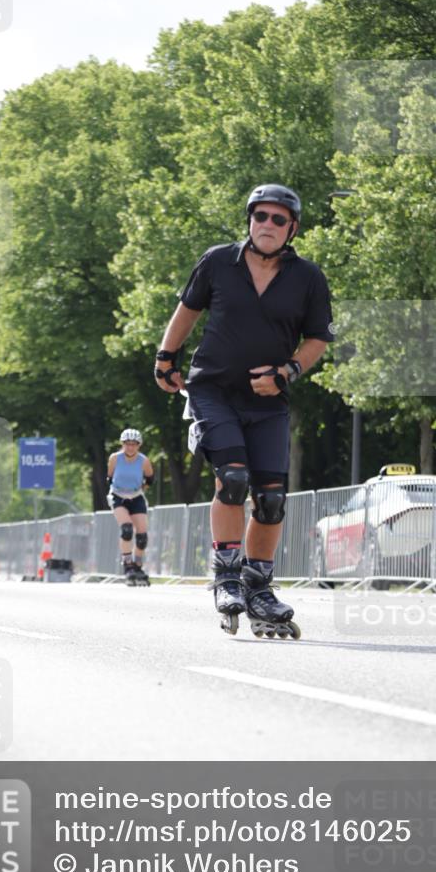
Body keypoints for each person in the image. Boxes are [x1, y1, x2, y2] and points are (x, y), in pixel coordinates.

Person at [154, 183, 333, 636]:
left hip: (269, 400)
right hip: (212, 390)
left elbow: (317, 339)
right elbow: (187, 310)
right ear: (249, 220)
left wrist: (287, 372)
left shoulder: (308, 278)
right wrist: (165, 358)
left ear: (292, 228)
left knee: (271, 499)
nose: (267, 224)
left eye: (278, 219)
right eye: (260, 216)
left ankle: (258, 587)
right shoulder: (218, 262)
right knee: (233, 478)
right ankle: (227, 577)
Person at [107, 428, 154, 586]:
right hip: (118, 496)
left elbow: (150, 479)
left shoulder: (144, 461)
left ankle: (137, 566)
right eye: (127, 444)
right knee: (127, 529)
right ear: (122, 444)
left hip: (136, 496)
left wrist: (140, 490)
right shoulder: (115, 458)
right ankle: (127, 565)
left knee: (142, 536)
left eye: (134, 444)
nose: (130, 447)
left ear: (139, 445)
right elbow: (109, 477)